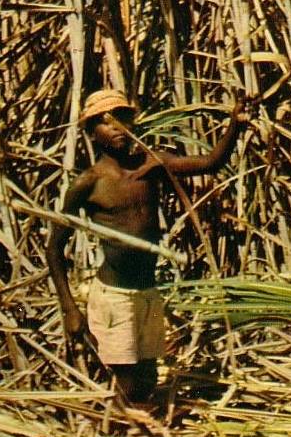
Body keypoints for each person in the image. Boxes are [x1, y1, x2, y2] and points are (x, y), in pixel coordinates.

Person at [46, 89, 252, 403]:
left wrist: (235, 124)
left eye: (122, 118)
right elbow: (54, 248)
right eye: (105, 122)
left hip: (147, 291)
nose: (116, 127)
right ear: (90, 132)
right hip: (115, 297)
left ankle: (135, 436)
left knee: (147, 380)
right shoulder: (90, 182)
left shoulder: (152, 164)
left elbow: (211, 162)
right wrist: (69, 308)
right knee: (127, 385)